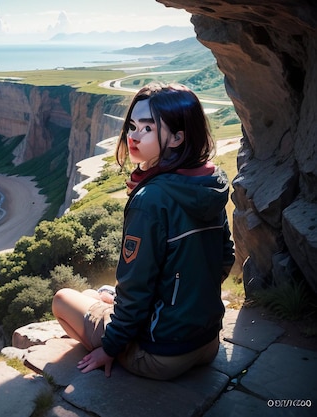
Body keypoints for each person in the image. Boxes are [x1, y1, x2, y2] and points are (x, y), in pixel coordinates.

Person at [52, 82, 235, 381]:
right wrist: (186, 304)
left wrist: (109, 348)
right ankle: (112, 308)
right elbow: (225, 257)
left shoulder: (150, 201)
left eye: (147, 129)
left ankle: (116, 344)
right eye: (132, 126)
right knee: (97, 294)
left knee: (63, 299)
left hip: (160, 355)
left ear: (177, 137)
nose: (133, 136)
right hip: (206, 342)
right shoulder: (210, 183)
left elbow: (137, 287)